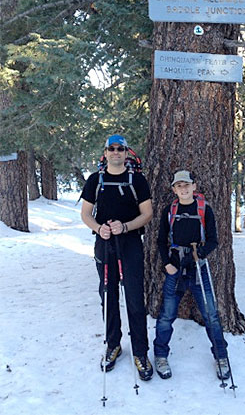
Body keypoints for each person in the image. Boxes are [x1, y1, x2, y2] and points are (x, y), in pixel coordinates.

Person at [80, 134, 153, 381]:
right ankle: (113, 345)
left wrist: (126, 226)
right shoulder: (95, 180)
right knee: (108, 295)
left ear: (126, 153)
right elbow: (86, 214)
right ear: (106, 152)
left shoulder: (137, 180)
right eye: (111, 148)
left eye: (120, 148)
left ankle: (141, 352)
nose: (116, 152)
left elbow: (147, 213)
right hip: (104, 244)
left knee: (134, 297)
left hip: (130, 243)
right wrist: (99, 228)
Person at [153, 170, 230, 381]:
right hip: (175, 267)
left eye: (187, 184)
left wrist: (201, 254)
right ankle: (160, 355)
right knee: (167, 314)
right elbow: (160, 241)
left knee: (211, 315)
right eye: (179, 186)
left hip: (198, 267)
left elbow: (214, 240)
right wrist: (167, 263)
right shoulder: (169, 210)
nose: (183, 189)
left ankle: (221, 356)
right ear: (174, 189)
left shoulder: (205, 209)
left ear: (194, 186)